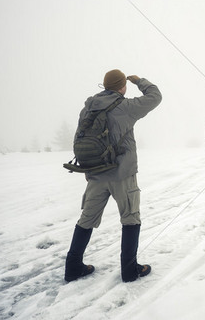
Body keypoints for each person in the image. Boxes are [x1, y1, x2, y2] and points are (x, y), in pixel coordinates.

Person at [64, 69, 162, 283]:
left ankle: (72, 267)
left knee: (86, 219)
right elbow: (155, 96)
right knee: (130, 219)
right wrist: (139, 81)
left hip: (95, 173)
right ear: (121, 86)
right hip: (122, 174)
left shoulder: (88, 106)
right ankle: (129, 270)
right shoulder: (126, 107)